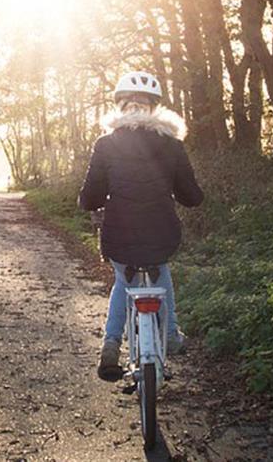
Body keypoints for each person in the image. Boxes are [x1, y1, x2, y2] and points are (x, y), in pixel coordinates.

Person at [79, 70, 205, 381]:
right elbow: (191, 196)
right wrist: (181, 192)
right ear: (155, 107)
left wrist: (91, 203)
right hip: (162, 231)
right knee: (161, 269)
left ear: (121, 106)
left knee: (124, 279)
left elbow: (90, 195)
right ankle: (171, 333)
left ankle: (111, 344)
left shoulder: (106, 144)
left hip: (118, 233)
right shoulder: (172, 144)